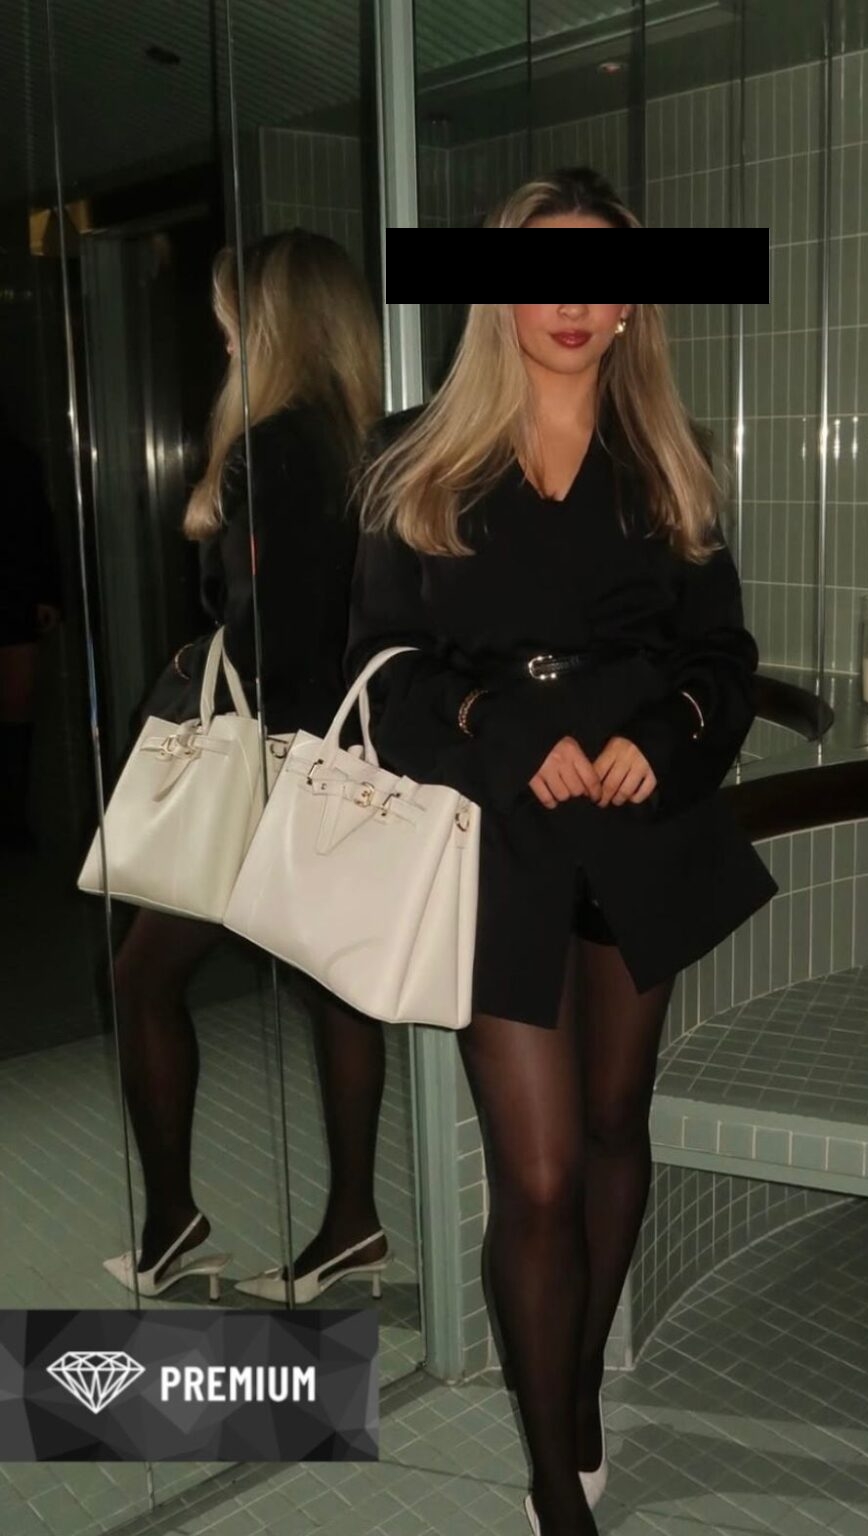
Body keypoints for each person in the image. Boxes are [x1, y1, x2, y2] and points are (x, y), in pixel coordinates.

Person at [346, 167, 778, 1536]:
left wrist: (668, 733)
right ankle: (552, 1478)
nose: (573, 304)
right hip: (496, 836)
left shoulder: (672, 456)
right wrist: (498, 728)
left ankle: (576, 1382)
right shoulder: (414, 456)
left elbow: (722, 656)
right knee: (535, 1172)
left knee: (612, 1127)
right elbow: (381, 672)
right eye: (546, 276)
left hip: (641, 828)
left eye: (601, 278)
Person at [102, 229, 389, 1304]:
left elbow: (270, 630)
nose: (222, 335)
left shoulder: (266, 448)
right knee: (333, 990)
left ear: (269, 325)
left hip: (264, 761)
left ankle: (173, 1221)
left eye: (232, 317)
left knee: (141, 979)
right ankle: (351, 1223)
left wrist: (210, 643)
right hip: (339, 753)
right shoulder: (366, 442)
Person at [0, 407, 62, 853]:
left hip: (13, 596)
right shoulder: (18, 458)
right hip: (16, 594)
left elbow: (40, 528)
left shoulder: (17, 459)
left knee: (16, 712)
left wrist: (47, 595)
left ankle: (13, 820)